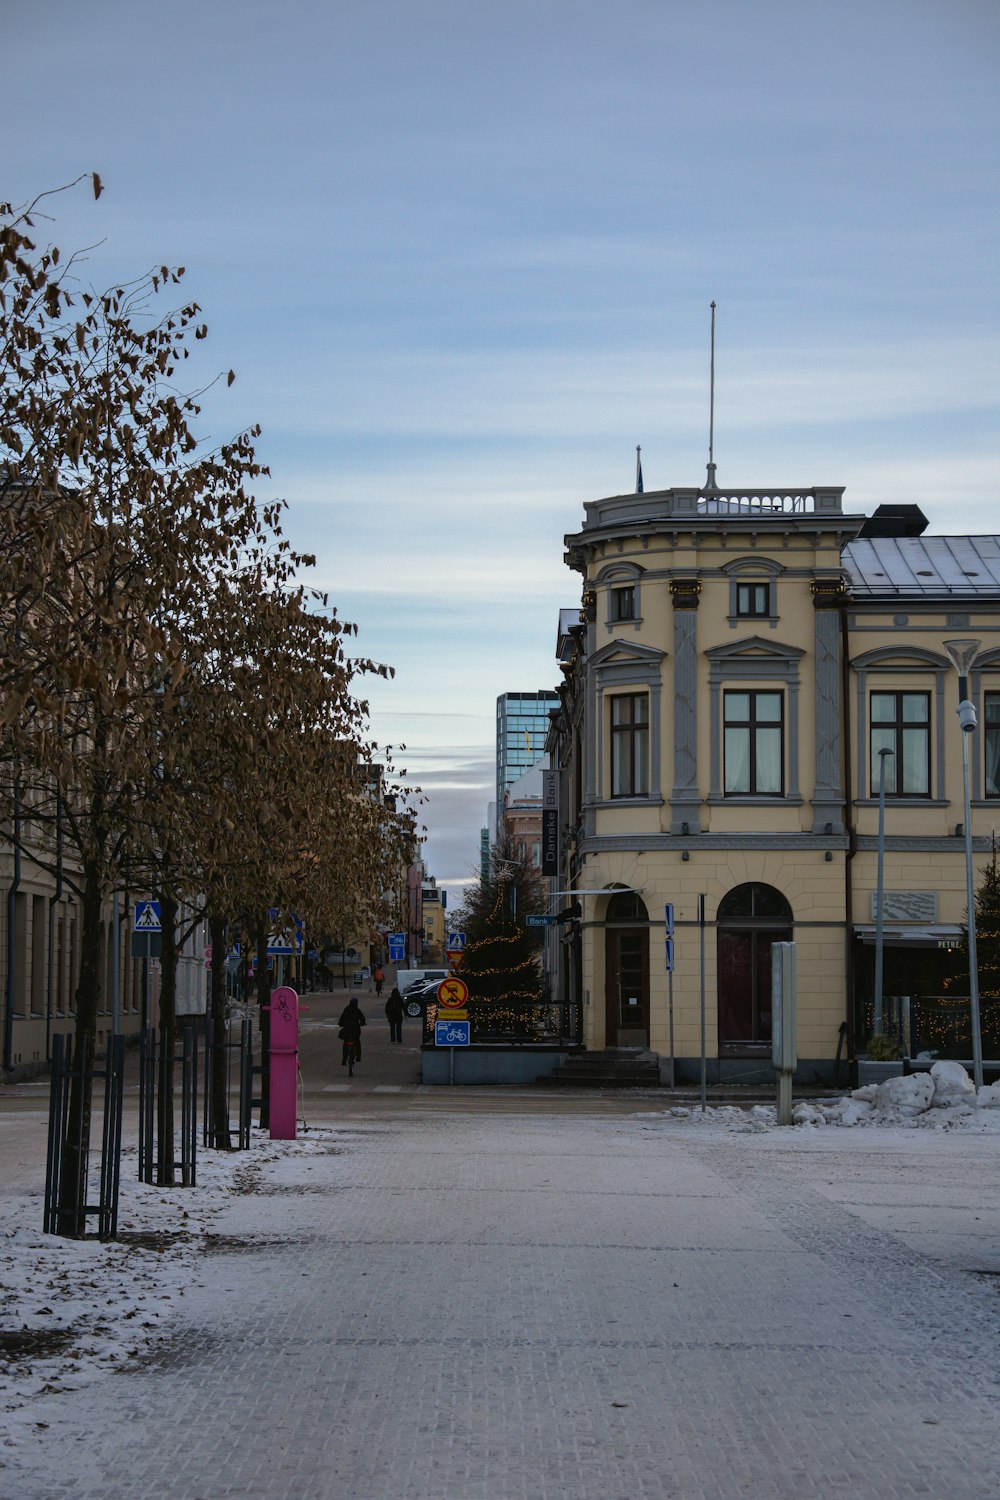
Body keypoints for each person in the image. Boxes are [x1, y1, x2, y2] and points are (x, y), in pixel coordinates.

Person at [338, 996, 367, 1065]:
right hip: (356, 1029)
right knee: (357, 1042)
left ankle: (344, 1057)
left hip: (347, 1029)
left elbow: (342, 1018)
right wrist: (362, 1023)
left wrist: (340, 1023)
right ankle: (358, 1056)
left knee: (346, 1042)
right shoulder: (357, 1010)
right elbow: (362, 1018)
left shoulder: (347, 1009)